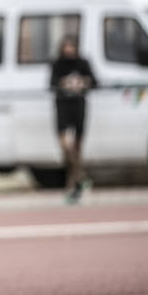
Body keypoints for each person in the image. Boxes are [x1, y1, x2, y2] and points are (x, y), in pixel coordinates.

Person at [49, 35, 96, 204]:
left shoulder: (82, 63)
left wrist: (83, 82)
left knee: (77, 148)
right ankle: (81, 176)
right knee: (65, 147)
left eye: (72, 46)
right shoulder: (57, 64)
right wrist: (64, 83)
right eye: (66, 46)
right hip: (63, 106)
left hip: (78, 106)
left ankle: (72, 188)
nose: (69, 50)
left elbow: (95, 82)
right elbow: (51, 83)